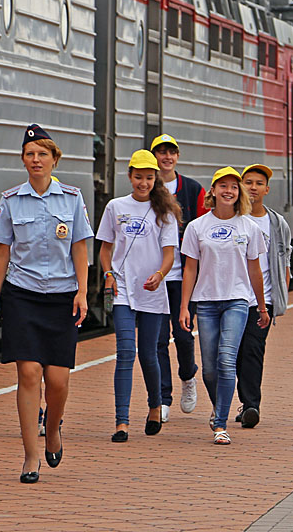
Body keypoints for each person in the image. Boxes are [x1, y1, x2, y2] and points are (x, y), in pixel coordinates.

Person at [0, 124, 94, 484]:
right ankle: (31, 456)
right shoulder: (11, 200)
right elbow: (2, 251)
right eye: (30, 154)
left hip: (61, 295)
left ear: (54, 159)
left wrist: (82, 291)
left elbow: (80, 246)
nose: (35, 160)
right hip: (22, 294)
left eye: (42, 154)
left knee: (58, 379)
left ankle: (55, 426)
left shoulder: (72, 198)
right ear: (23, 160)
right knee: (29, 373)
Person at [179, 167, 270, 444]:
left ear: (238, 192)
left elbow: (255, 269)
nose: (228, 191)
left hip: (237, 300)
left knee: (226, 360)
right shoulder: (197, 227)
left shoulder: (249, 227)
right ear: (214, 191)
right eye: (223, 186)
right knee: (209, 368)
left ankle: (220, 424)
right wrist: (185, 306)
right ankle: (219, 407)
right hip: (206, 303)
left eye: (233, 186)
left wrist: (263, 307)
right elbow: (190, 270)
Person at [96, 150, 180, 442]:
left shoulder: (165, 213)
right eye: (138, 177)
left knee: (149, 354)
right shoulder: (115, 207)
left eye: (148, 177)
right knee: (125, 353)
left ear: (155, 178)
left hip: (152, 293)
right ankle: (122, 421)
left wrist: (160, 274)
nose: (143, 183)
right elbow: (105, 248)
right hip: (121, 291)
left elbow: (169, 254)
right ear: (129, 176)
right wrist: (108, 274)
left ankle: (155, 406)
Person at [151, 133, 207, 421]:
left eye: (171, 152)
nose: (167, 157)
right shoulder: (148, 188)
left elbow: (202, 228)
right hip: (157, 277)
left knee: (183, 335)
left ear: (177, 156)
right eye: (161, 152)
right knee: (158, 339)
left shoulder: (193, 189)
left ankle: (188, 377)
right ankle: (162, 399)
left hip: (183, 275)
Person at [234, 163, 291, 429]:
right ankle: (236, 402)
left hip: (261, 300)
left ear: (267, 189)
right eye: (248, 182)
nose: (253, 187)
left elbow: (284, 260)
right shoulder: (232, 220)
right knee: (232, 353)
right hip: (231, 296)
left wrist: (281, 293)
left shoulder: (276, 223)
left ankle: (251, 405)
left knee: (254, 349)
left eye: (258, 183)